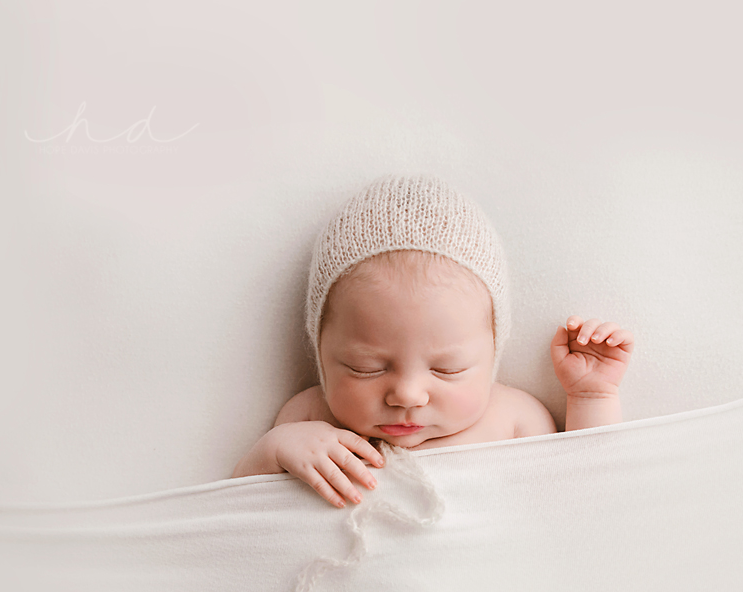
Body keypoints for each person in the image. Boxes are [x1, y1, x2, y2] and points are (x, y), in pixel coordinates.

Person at [232, 175, 634, 507]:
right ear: (321, 353)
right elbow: (234, 526)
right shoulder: (308, 421)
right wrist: (271, 452)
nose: (407, 395)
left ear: (493, 352)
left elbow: (586, 502)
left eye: (447, 369)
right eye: (365, 368)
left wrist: (591, 397)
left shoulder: (513, 421)